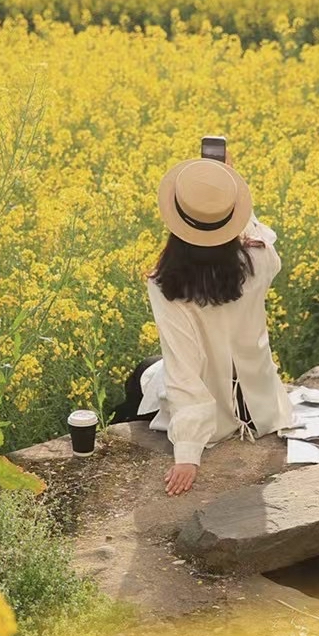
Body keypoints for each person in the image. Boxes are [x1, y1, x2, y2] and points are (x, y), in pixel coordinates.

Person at [134, 153, 293, 497]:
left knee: (142, 375)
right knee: (151, 371)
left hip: (216, 419)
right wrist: (228, 193)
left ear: (176, 220)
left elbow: (183, 369)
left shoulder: (165, 283)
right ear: (231, 218)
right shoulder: (260, 257)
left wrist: (188, 452)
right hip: (261, 406)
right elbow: (255, 236)